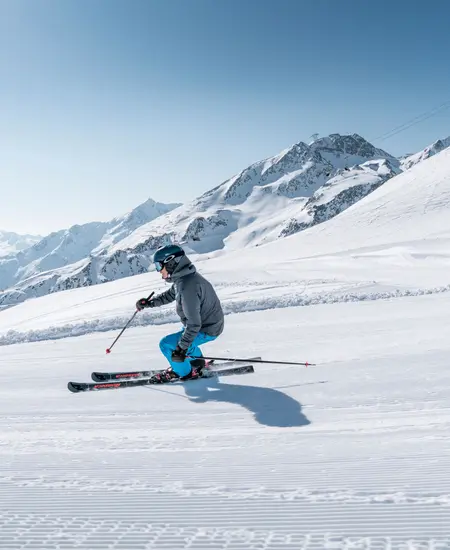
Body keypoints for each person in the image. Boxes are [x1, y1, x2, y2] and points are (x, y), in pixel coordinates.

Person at [135, 244, 224, 383]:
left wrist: (181, 349)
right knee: (184, 337)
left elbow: (194, 325)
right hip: (207, 325)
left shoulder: (188, 286)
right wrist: (150, 303)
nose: (159, 271)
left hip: (206, 328)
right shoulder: (183, 279)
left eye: (159, 266)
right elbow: (170, 295)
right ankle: (197, 363)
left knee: (167, 344)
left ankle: (183, 372)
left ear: (171, 262)